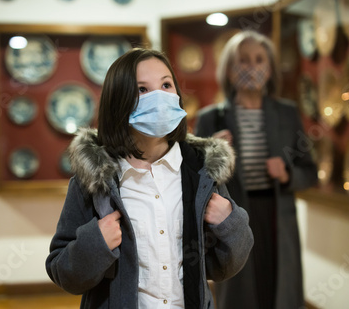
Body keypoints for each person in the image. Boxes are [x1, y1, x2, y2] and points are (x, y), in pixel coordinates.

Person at [46, 48, 254, 309]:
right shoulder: (93, 180)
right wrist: (95, 244)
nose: (159, 96)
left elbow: (221, 268)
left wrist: (231, 224)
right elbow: (63, 273)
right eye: (142, 89)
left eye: (166, 84)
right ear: (118, 101)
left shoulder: (202, 172)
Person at [195, 31, 318, 309]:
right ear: (228, 69)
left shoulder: (287, 113)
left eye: (259, 59)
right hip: (233, 218)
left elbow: (310, 171)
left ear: (270, 67)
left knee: (280, 291)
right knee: (239, 295)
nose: (252, 67)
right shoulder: (210, 118)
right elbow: (193, 180)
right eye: (243, 60)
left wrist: (287, 174)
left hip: (277, 218)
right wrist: (212, 155)